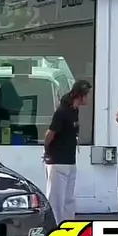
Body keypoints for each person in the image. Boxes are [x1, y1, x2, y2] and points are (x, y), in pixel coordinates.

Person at [44, 79, 90, 225]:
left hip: (70, 160)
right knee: (56, 200)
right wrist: (47, 151)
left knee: (68, 200)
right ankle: (53, 228)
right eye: (87, 94)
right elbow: (50, 134)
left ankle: (67, 227)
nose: (88, 98)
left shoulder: (74, 111)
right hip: (58, 161)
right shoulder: (62, 112)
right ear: (80, 95)